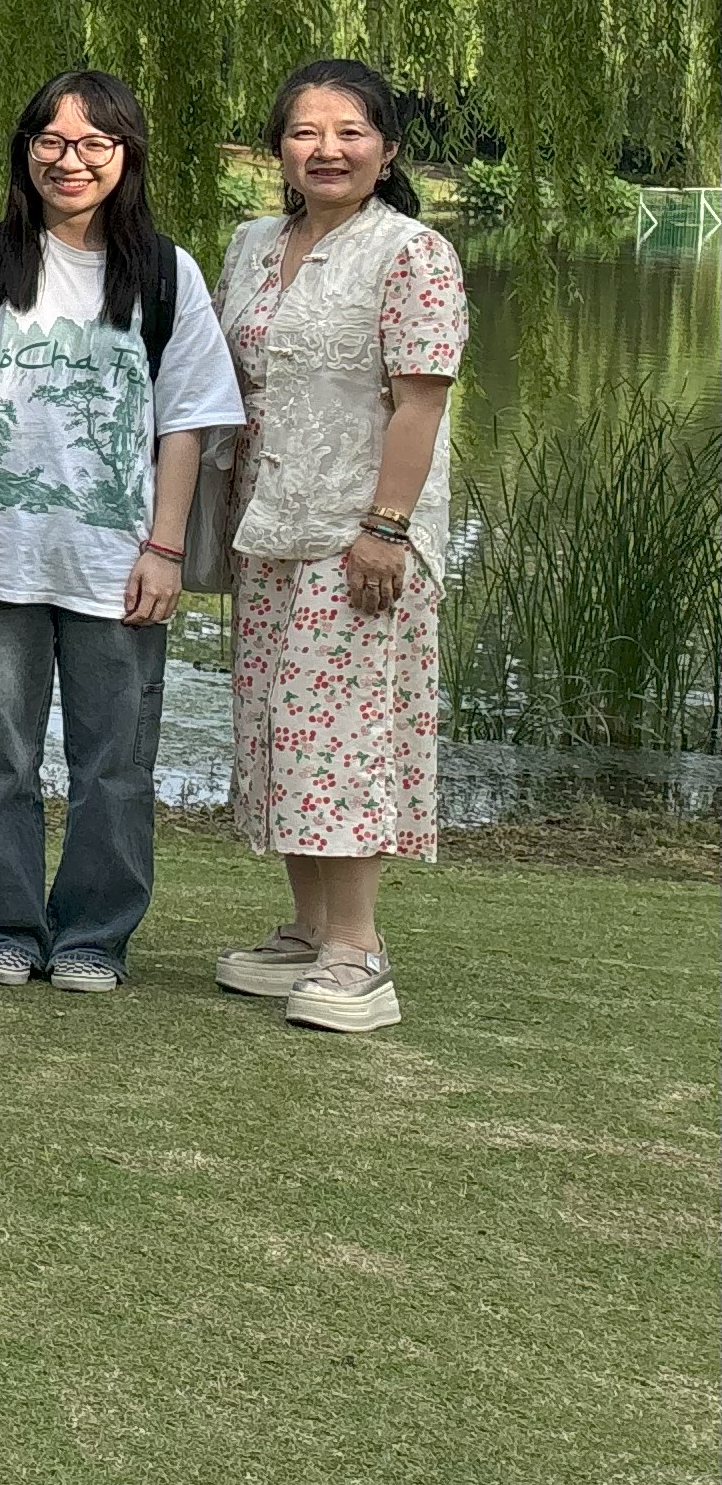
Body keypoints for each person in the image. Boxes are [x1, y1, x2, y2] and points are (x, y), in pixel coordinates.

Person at [0, 68, 241, 992]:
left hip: (118, 561)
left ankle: (94, 935)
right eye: (50, 141)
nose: (70, 160)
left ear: (127, 155)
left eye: (93, 143)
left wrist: (165, 549)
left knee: (115, 765)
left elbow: (186, 422)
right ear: (25, 153)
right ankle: (0, 927)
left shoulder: (165, 273)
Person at [207, 61, 468, 1035]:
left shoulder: (412, 253)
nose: (326, 150)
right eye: (305, 132)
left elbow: (421, 401)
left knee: (343, 737)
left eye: (350, 132)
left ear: (387, 150)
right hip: (267, 526)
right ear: (279, 148)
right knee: (281, 727)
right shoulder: (250, 245)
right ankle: (309, 930)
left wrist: (386, 527)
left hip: (360, 532)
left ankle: (359, 953)